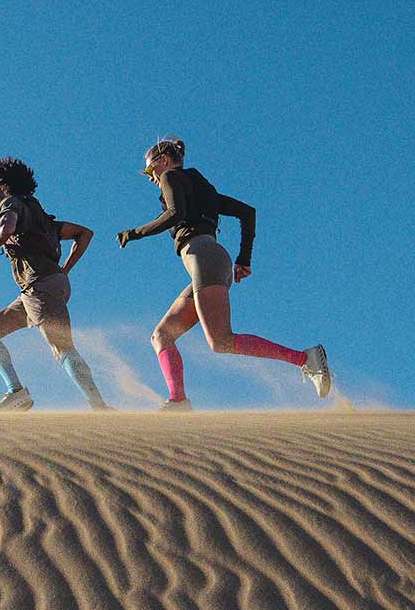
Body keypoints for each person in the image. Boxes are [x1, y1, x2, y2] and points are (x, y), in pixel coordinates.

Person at [116, 137, 330, 409]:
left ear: (164, 161)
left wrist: (133, 233)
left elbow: (174, 213)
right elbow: (247, 212)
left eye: (149, 170)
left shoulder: (171, 176)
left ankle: (304, 358)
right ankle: (178, 400)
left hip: (205, 260)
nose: (150, 178)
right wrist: (243, 259)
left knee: (220, 340)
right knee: (162, 336)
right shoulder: (203, 189)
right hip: (210, 263)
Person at [0, 157, 111, 411]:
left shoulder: (11, 204)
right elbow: (84, 234)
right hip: (38, 289)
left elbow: (6, 226)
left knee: (62, 347)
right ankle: (16, 392)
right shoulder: (42, 218)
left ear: (3, 186)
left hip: (40, 287)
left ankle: (99, 406)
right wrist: (64, 272)